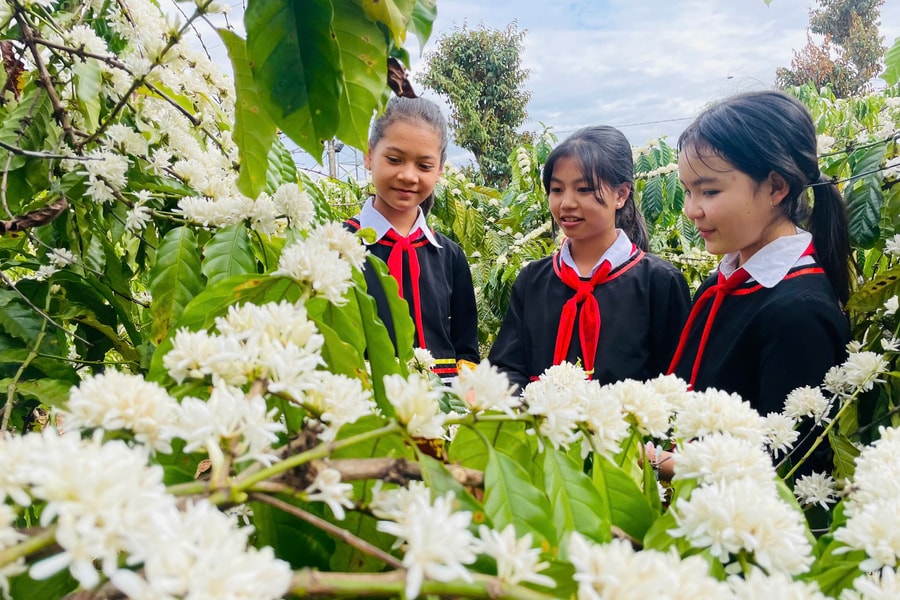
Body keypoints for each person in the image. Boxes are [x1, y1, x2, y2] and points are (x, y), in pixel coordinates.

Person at [658, 90, 852, 478]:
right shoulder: (722, 284)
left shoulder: (798, 312)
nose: (691, 210)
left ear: (776, 188)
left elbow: (791, 465)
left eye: (709, 191)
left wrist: (670, 466)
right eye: (688, 191)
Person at [488, 126, 691, 392]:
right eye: (557, 189)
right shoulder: (533, 280)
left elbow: (676, 382)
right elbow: (507, 367)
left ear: (621, 194)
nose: (566, 203)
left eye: (584, 189)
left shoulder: (659, 282)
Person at [346, 95, 480, 383]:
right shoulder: (340, 246)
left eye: (424, 166)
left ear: (440, 169)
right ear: (369, 155)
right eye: (394, 160)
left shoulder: (450, 256)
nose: (408, 176)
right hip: (366, 408)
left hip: (444, 415)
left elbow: (466, 350)